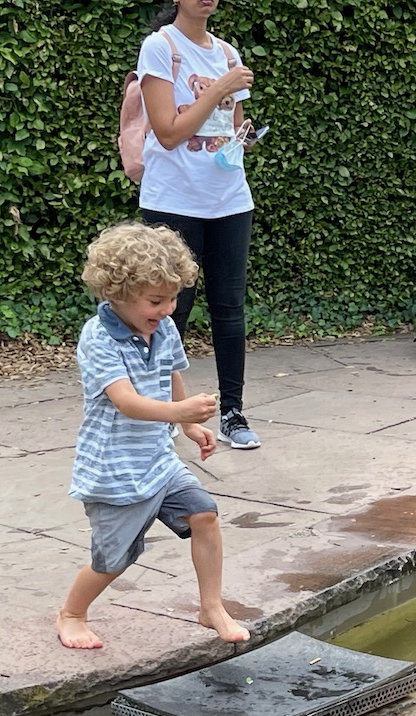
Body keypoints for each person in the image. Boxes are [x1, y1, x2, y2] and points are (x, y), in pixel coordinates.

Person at [57, 222, 250, 651]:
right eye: (156, 300)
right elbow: (125, 401)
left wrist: (187, 425)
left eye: (174, 298)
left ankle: (211, 606)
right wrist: (179, 411)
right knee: (113, 560)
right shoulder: (99, 337)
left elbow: (169, 373)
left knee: (204, 514)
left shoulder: (161, 328)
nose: (167, 309)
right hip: (115, 469)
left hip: (158, 460)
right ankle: (71, 613)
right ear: (117, 292)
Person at [137, 0, 262, 450]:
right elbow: (168, 132)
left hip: (229, 198)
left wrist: (242, 140)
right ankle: (164, 415)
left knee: (229, 310)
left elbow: (235, 127)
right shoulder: (160, 47)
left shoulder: (228, 53)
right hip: (173, 200)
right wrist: (220, 88)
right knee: (171, 309)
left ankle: (232, 413)